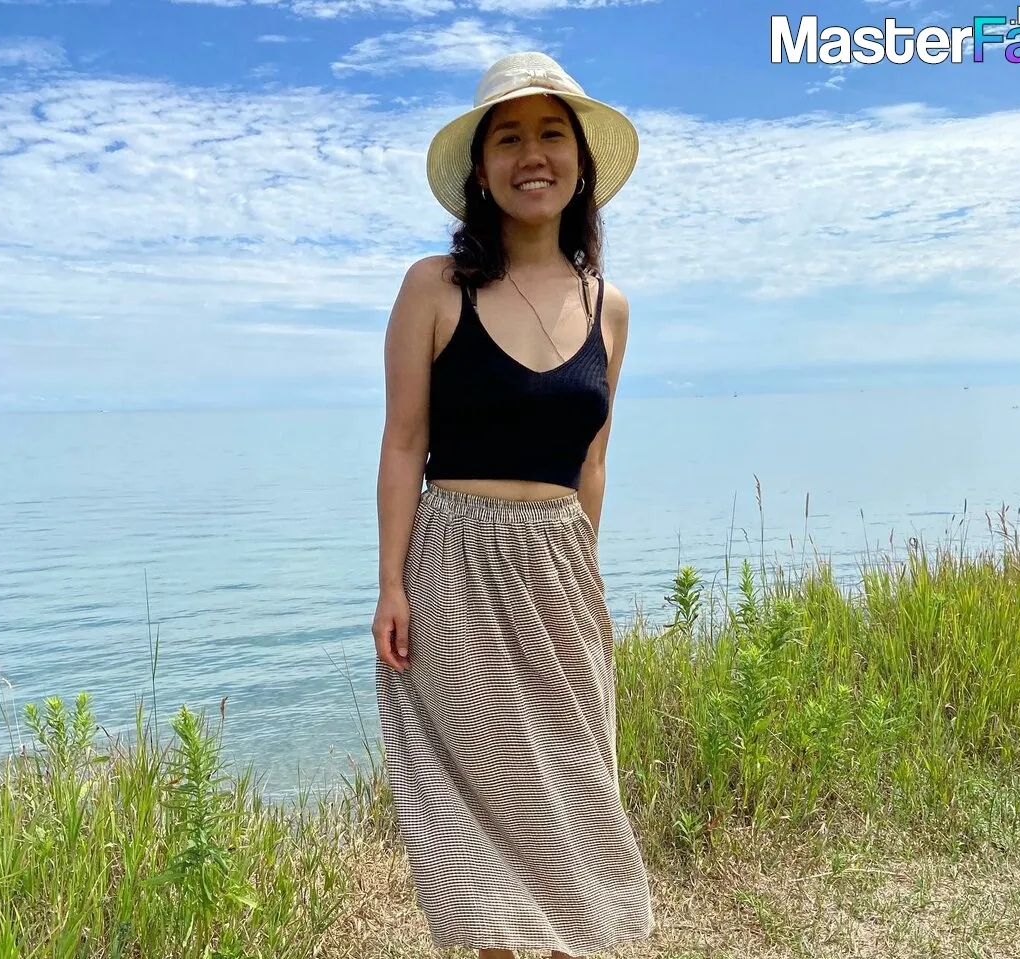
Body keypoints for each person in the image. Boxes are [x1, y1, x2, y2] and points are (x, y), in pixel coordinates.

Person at [373, 51, 653, 959]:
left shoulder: (610, 307)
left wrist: (586, 575)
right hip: (454, 565)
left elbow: (593, 459)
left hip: (560, 571)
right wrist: (391, 583)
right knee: (481, 804)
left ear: (581, 163)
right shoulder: (433, 286)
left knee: (577, 792)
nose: (533, 155)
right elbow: (404, 443)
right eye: (509, 138)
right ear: (482, 171)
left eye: (551, 135)